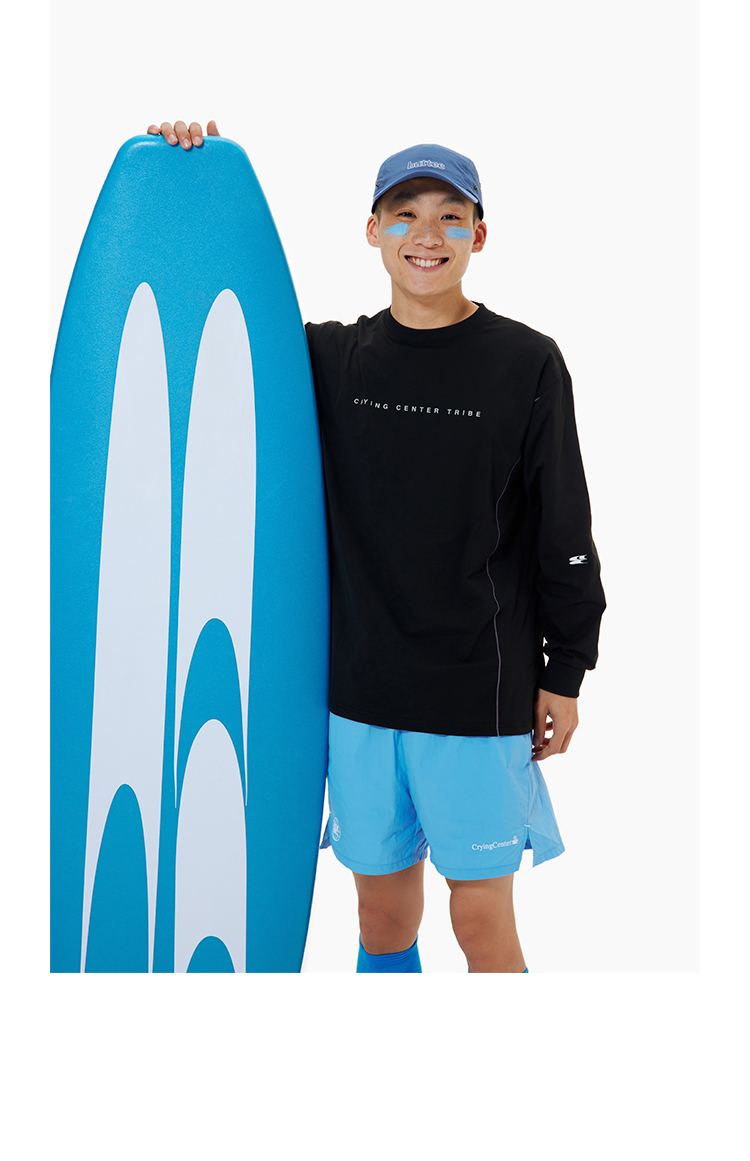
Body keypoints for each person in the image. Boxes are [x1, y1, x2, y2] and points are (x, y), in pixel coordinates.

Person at [147, 120, 606, 973]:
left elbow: (565, 530)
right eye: (405, 213)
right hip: (361, 693)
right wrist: (184, 178)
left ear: (479, 235)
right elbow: (215, 314)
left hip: (477, 690)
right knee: (383, 916)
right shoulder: (326, 358)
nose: (427, 235)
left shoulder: (526, 362)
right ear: (372, 230)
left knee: (481, 921)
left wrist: (566, 670)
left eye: (450, 216)